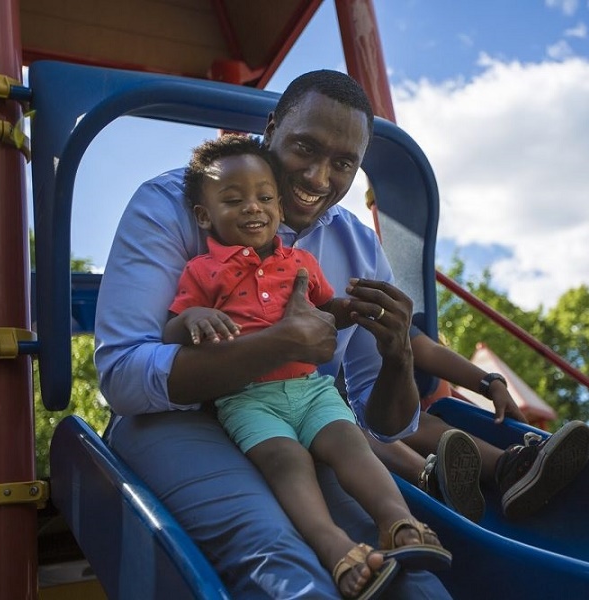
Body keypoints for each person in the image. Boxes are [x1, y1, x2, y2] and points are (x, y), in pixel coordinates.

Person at [95, 70, 454, 599]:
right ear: (271, 128)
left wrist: (399, 353)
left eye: (343, 163)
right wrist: (274, 345)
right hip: (176, 418)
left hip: (295, 413)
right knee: (275, 548)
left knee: (410, 577)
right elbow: (123, 376)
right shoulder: (172, 204)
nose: (316, 176)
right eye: (304, 146)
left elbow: (385, 426)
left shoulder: (353, 245)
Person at [374, 331, 589, 522]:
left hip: (388, 408)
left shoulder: (369, 302)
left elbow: (425, 348)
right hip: (354, 425)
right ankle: (432, 480)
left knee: (415, 419)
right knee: (359, 426)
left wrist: (491, 383)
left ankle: (510, 469)